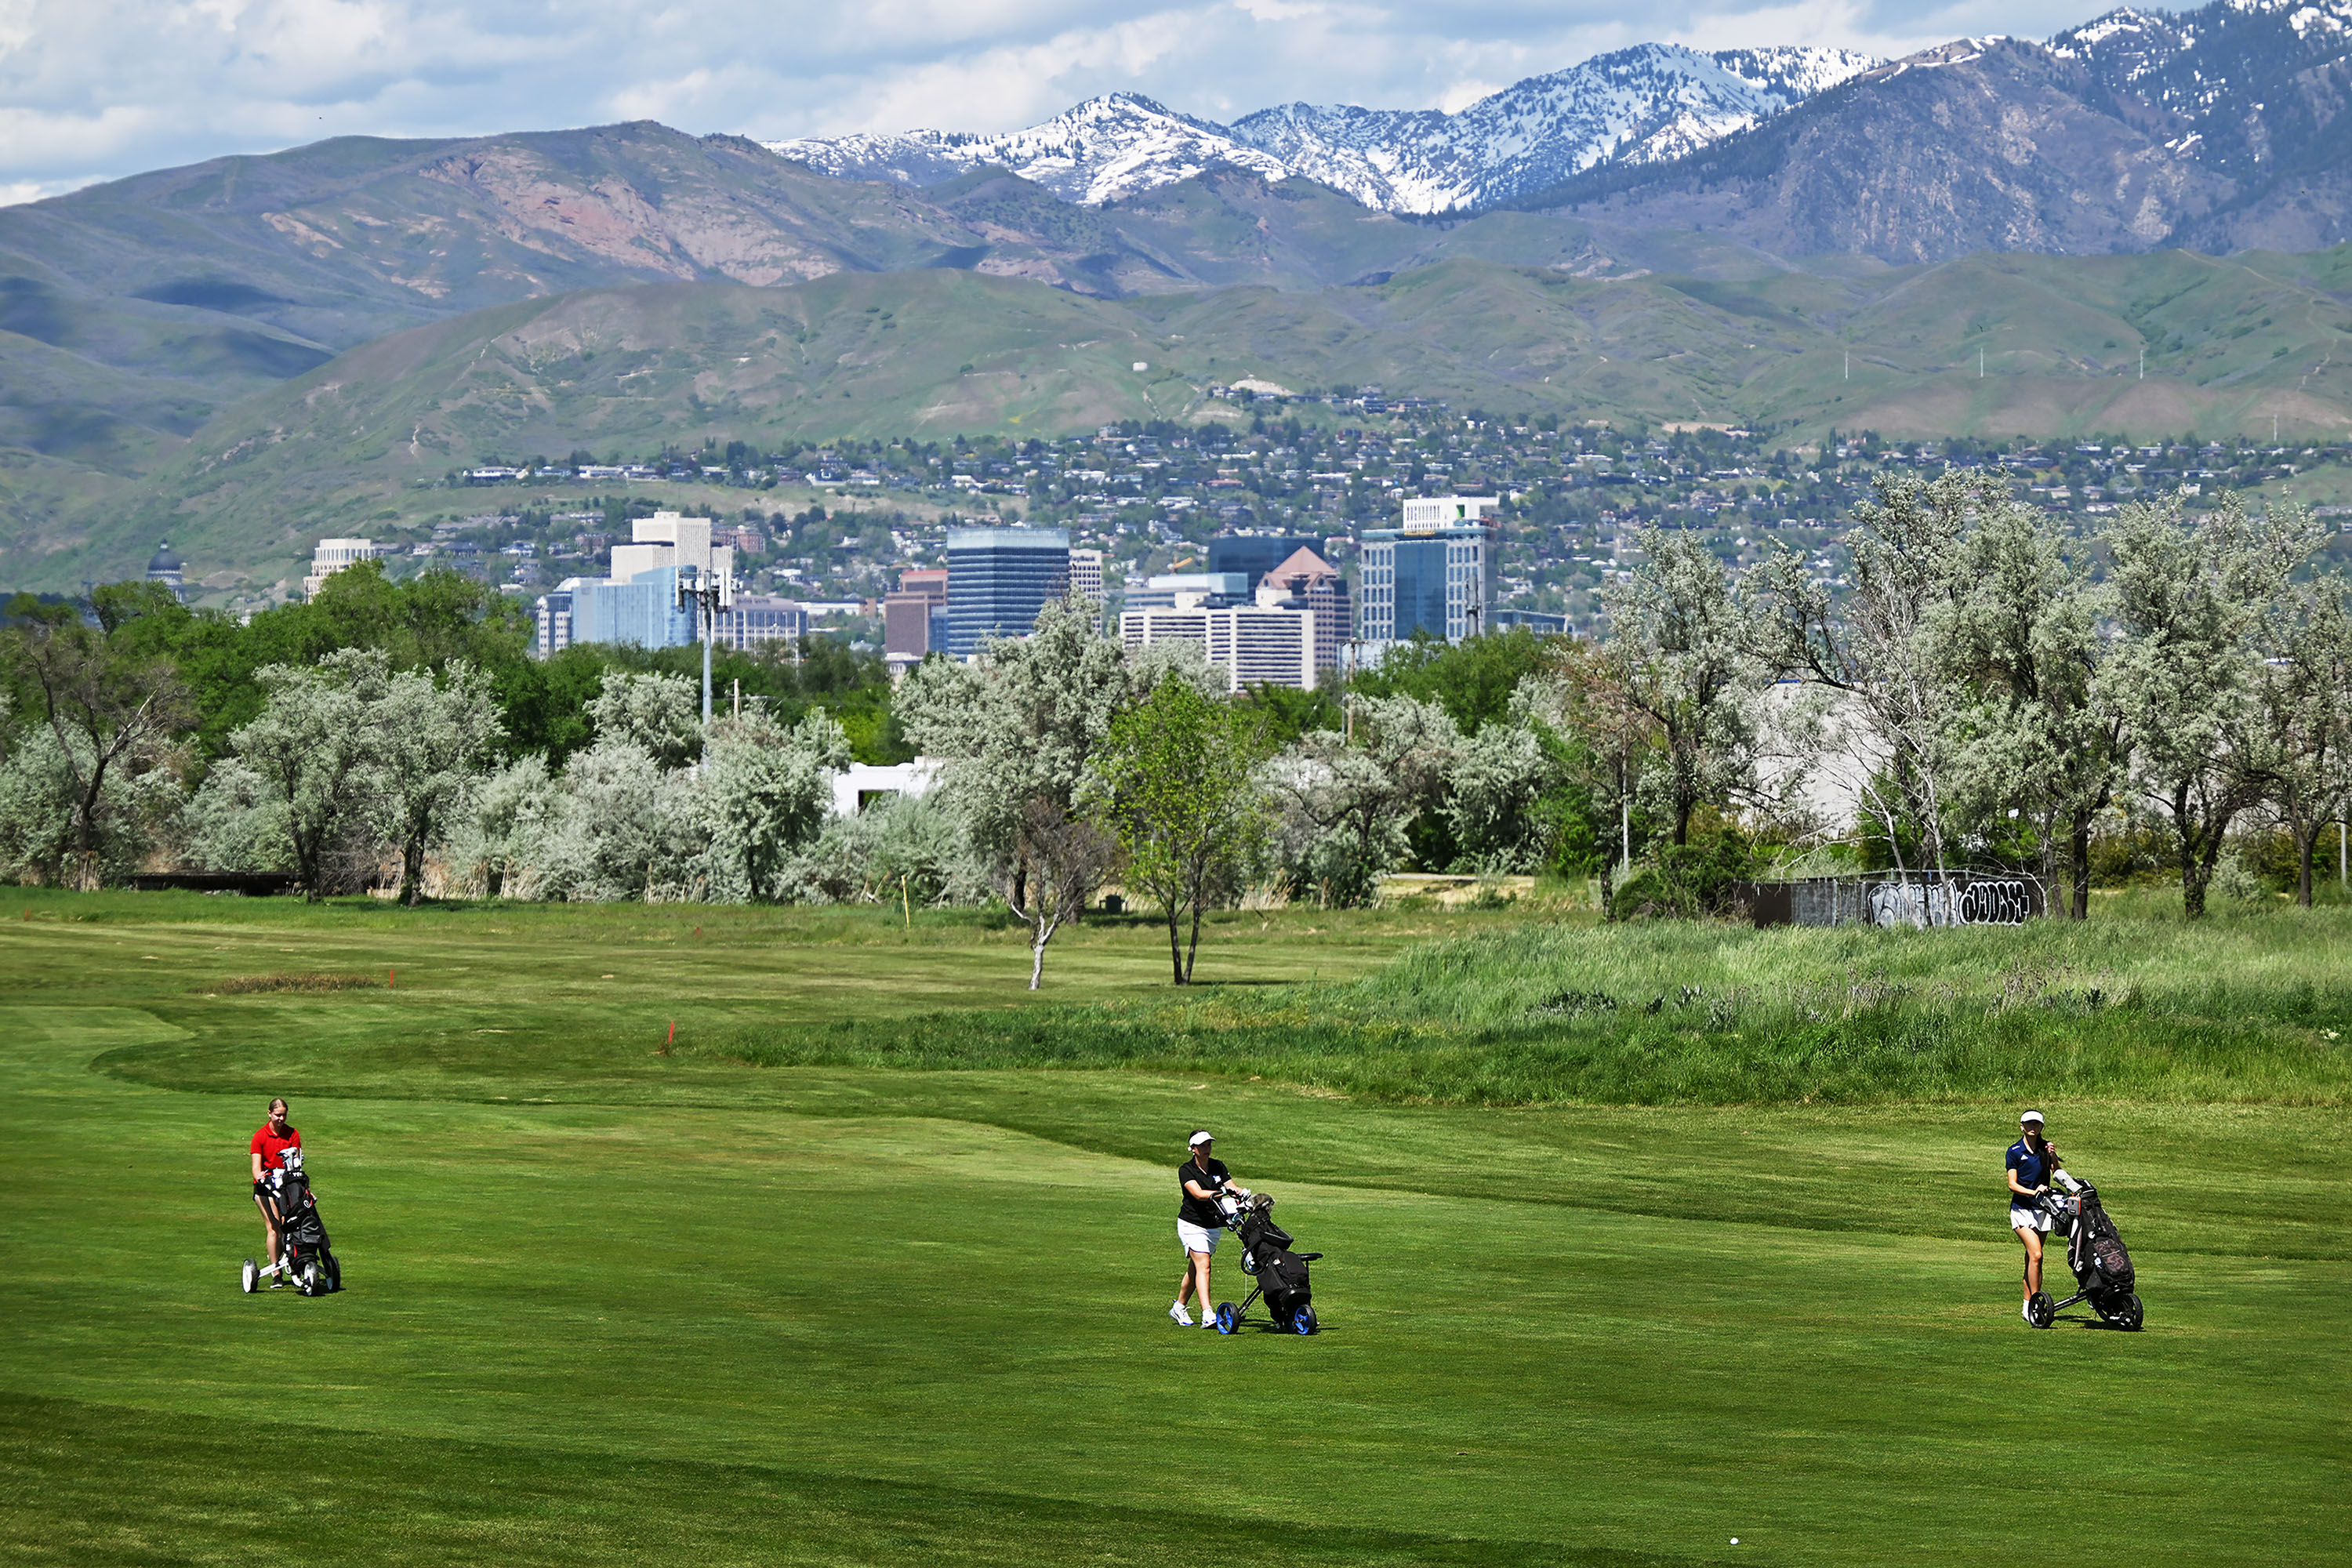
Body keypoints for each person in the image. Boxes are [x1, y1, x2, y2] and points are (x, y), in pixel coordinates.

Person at [1171, 1130, 1247, 1327]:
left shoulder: (1217, 1166)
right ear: (1193, 1149)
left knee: (1196, 1269)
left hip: (1213, 1225)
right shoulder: (1186, 1170)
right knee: (1204, 1265)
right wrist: (1222, 1192)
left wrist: (1241, 1193)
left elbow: (1232, 1186)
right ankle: (1208, 1314)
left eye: (1209, 1145)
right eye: (1203, 1145)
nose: (1207, 1149)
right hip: (1191, 1224)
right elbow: (1197, 1193)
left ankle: (1179, 1307)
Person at [2005, 1109, 2064, 1323]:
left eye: (2037, 1124)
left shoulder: (2045, 1148)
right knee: (2037, 1255)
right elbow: (2012, 1184)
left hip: (2043, 1211)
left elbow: (2056, 1172)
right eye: (2029, 1124)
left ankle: (2026, 1306)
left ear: (2041, 1127)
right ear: (2022, 1126)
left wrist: (2053, 1156)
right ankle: (2037, 1305)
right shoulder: (2014, 1151)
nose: (2033, 1127)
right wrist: (2035, 1192)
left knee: (2033, 1259)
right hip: (2021, 1210)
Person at [249, 1098, 302, 1288]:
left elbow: (296, 1161)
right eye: (277, 1115)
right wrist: (261, 1176)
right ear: (269, 1114)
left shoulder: (292, 1134)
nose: (281, 1119)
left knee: (288, 1225)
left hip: (286, 1187)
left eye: (284, 1115)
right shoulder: (260, 1136)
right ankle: (276, 1272)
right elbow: (256, 1167)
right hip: (266, 1188)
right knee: (274, 1226)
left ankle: (287, 1260)